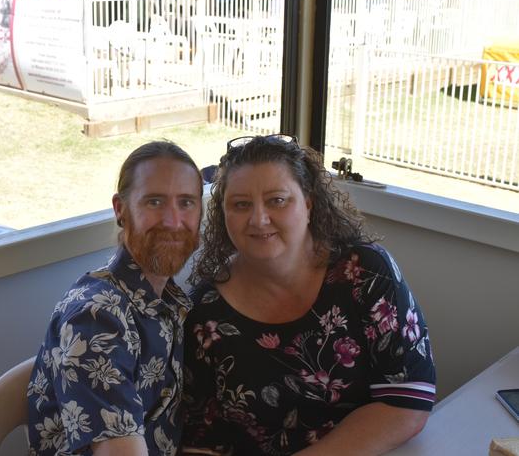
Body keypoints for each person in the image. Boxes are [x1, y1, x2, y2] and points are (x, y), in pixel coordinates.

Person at [181, 135, 436, 455]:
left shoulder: (365, 272)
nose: (259, 219)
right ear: (223, 213)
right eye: (241, 204)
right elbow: (200, 440)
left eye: (277, 200)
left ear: (309, 203)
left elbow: (407, 398)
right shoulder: (203, 313)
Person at [27, 141, 203, 456]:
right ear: (121, 209)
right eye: (154, 201)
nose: (174, 221)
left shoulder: (170, 302)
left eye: (186, 203)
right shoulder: (96, 318)